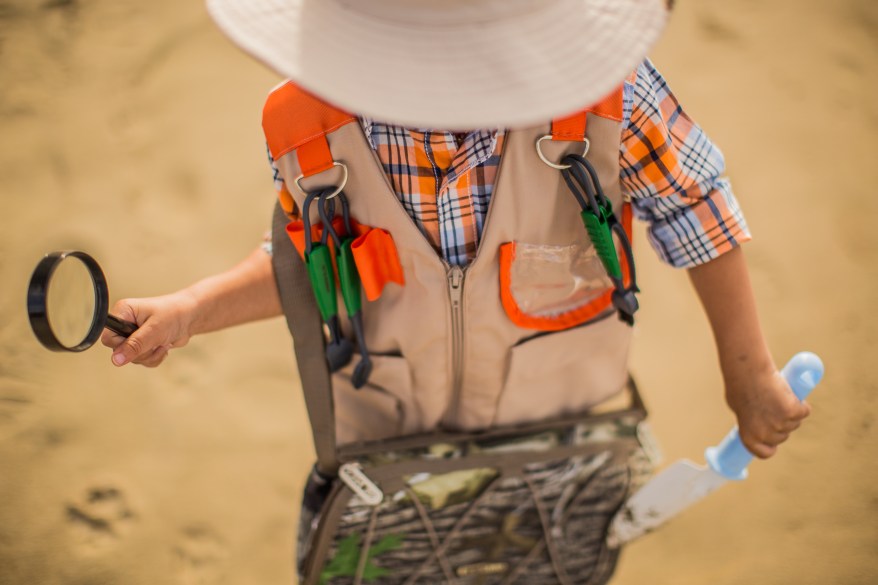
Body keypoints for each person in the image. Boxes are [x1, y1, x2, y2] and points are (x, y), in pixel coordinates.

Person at [101, 0, 811, 580]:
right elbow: (308, 266)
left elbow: (695, 200)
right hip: (390, 466)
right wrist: (192, 308)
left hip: (558, 458)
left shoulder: (609, 96)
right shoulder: (306, 125)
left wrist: (747, 375)